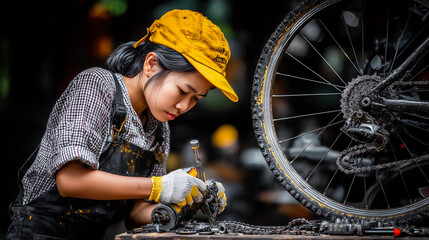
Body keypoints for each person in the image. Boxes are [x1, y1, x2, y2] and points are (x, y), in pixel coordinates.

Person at [6, 9, 238, 240]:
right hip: (38, 232)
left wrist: (186, 199)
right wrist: (157, 186)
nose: (184, 106)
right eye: (182, 91)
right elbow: (70, 180)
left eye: (196, 98)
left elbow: (136, 215)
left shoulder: (159, 128)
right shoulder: (97, 86)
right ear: (151, 65)